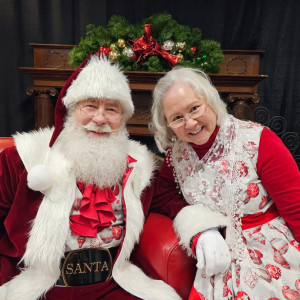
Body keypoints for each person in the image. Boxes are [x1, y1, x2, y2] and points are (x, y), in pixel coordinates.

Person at [0, 53, 181, 300]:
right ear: (71, 109)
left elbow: (169, 200)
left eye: (112, 109)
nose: (99, 119)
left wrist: (204, 231)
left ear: (123, 118)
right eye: (90, 106)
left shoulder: (139, 167)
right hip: (42, 287)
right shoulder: (22, 159)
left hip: (113, 284)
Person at [150, 66, 300, 299]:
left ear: (210, 101)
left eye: (194, 108)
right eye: (177, 118)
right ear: (167, 125)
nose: (190, 123)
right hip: (215, 259)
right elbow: (162, 197)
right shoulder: (175, 156)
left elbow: (297, 208)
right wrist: (200, 229)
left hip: (271, 255)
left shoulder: (258, 140)